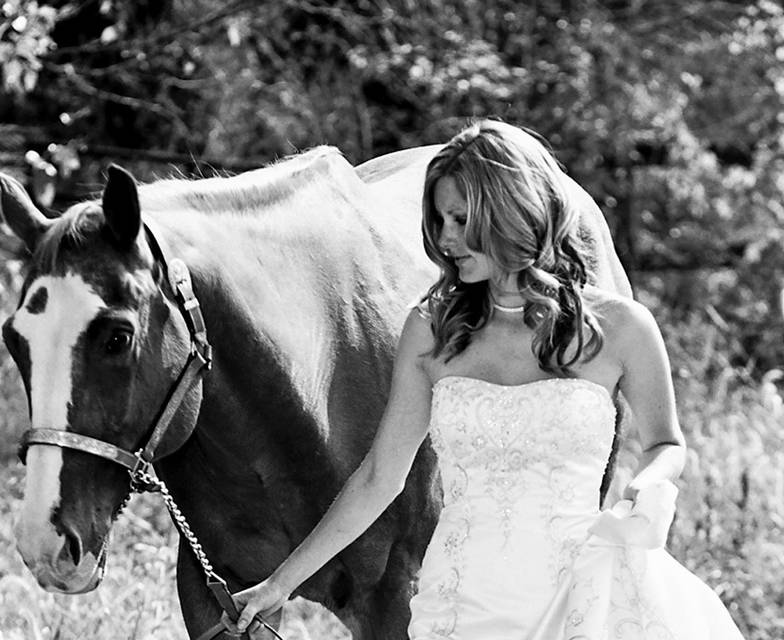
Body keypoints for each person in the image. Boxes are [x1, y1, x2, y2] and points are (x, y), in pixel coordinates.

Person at [224, 119, 745, 639]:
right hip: (463, 606)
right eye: (440, 219)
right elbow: (379, 478)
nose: (445, 238)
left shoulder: (621, 328)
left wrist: (643, 488)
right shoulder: (431, 330)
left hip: (584, 594)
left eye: (460, 219)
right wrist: (279, 583)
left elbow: (665, 443)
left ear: (512, 212)